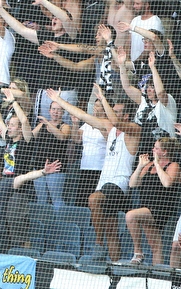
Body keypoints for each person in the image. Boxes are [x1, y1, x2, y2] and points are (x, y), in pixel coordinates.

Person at [47, 85, 140, 263]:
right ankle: (115, 265)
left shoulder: (135, 130)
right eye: (114, 111)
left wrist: (103, 100)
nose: (114, 114)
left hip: (120, 184)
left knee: (93, 199)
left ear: (127, 116)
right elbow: (83, 115)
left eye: (118, 112)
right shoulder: (108, 128)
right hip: (104, 182)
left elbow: (118, 122)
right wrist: (59, 101)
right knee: (111, 229)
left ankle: (98, 244)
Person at [124, 137, 181, 266]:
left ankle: (138, 252)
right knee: (155, 246)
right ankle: (157, 276)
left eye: (156, 148)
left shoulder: (173, 165)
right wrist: (140, 166)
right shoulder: (149, 165)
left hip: (160, 209)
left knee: (130, 215)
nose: (153, 150)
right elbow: (133, 184)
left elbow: (167, 183)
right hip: (146, 208)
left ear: (164, 152)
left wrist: (157, 163)